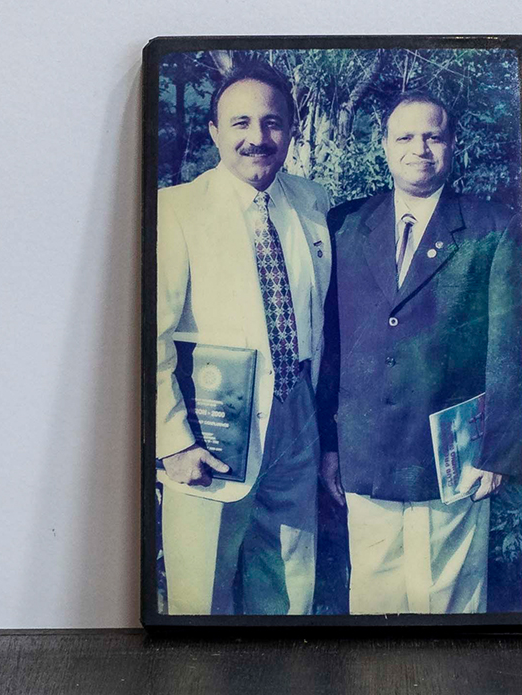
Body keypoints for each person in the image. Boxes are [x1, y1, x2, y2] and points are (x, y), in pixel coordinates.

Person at [317, 90, 522, 614]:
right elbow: (332, 347)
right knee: (374, 600)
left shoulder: (493, 227)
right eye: (405, 137)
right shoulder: (345, 225)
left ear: (453, 144)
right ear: (384, 146)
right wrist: (329, 445)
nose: (419, 149)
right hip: (366, 454)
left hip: (452, 457)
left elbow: (508, 349)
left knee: (449, 604)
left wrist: (497, 452)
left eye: (433, 136)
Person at [156, 61, 332, 615]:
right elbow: (148, 338)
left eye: (272, 122)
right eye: (240, 123)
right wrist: (172, 441)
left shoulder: (313, 203)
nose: (258, 137)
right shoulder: (175, 210)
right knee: (200, 598)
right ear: (214, 132)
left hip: (297, 421)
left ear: (291, 129)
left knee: (289, 590)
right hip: (211, 431)